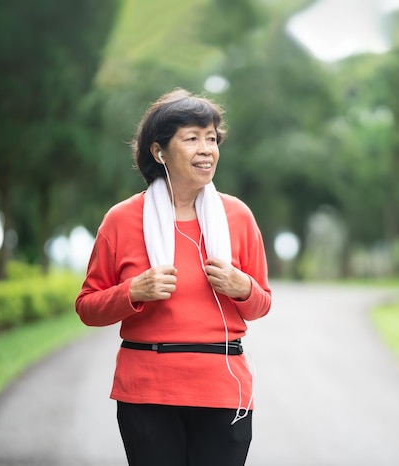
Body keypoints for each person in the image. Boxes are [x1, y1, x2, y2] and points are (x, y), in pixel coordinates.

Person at [75, 88, 272, 466]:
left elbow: (261, 302)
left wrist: (242, 286)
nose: (206, 149)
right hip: (147, 392)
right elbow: (87, 307)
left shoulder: (238, 217)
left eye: (212, 138)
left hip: (223, 391)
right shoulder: (121, 220)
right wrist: (133, 290)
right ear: (159, 151)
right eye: (192, 138)